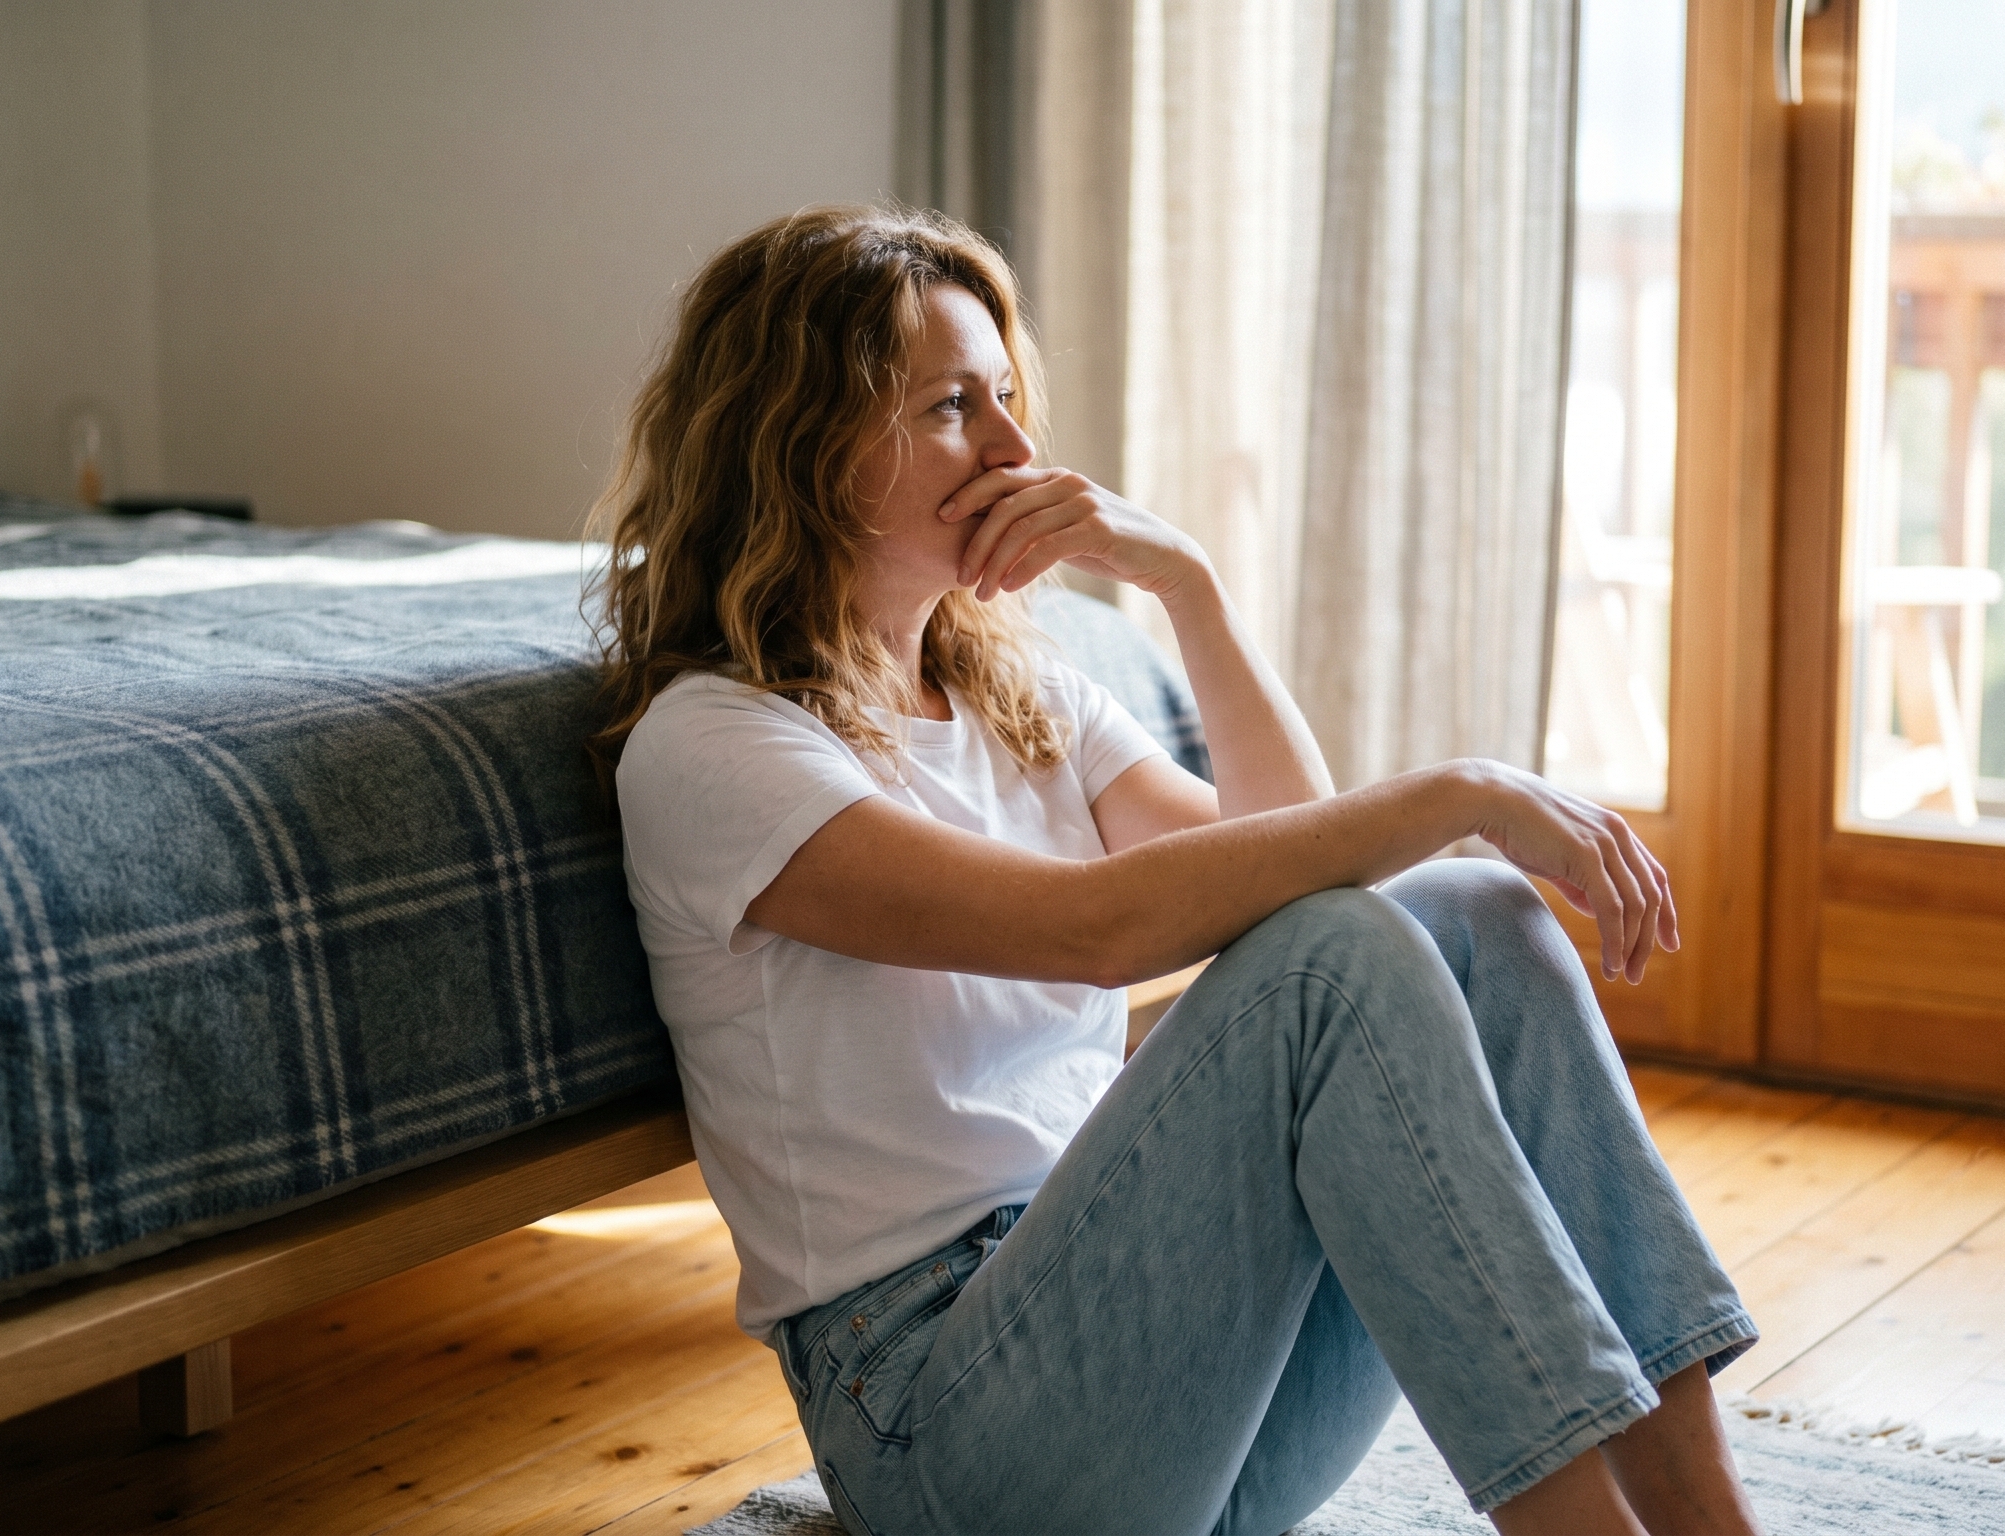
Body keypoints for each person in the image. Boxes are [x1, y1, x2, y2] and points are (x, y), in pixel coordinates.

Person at [592, 204, 1763, 1536]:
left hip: (1173, 1378)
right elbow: (1095, 930)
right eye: (951, 407)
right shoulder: (716, 745)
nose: (1015, 448)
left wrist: (1188, 583)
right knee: (1344, 956)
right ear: (800, 444)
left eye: (1008, 397)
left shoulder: (1025, 696)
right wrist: (1466, 790)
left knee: (1472, 915)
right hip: (941, 1430)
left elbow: (1315, 877)